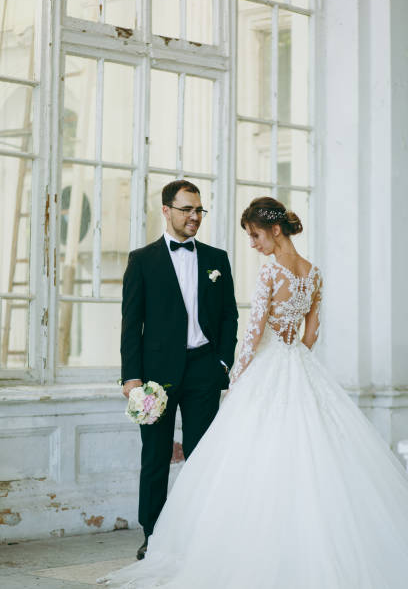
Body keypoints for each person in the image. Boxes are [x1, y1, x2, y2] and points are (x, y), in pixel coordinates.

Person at [100, 196, 408, 588]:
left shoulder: (269, 273)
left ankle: (218, 544)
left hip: (260, 370)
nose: (252, 243)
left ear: (274, 230)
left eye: (255, 235)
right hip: (299, 366)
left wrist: (237, 378)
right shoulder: (314, 274)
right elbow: (311, 334)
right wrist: (291, 357)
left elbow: (251, 333)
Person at [120, 179, 238, 560]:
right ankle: (152, 536)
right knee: (155, 456)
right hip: (156, 375)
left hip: (204, 368)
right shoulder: (142, 260)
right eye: (187, 209)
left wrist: (222, 362)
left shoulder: (217, 258)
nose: (194, 217)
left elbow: (229, 317)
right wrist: (132, 377)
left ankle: (200, 534)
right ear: (166, 210)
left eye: (199, 210)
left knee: (203, 455)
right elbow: (130, 323)